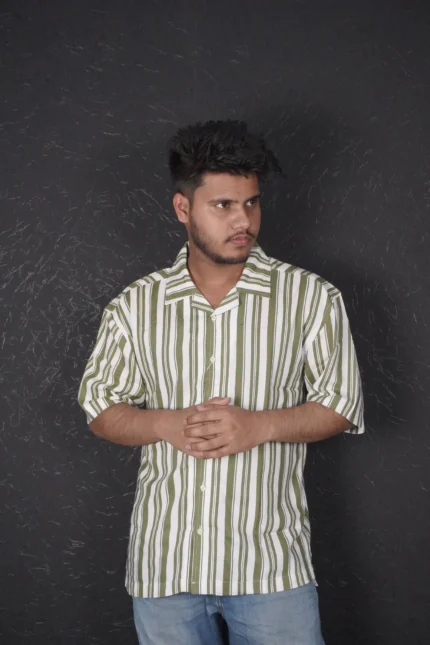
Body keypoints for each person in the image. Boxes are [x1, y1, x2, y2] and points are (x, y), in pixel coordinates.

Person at [78, 119, 365, 645]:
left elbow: (341, 403)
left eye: (251, 203)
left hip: (270, 566)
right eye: (223, 205)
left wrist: (259, 426)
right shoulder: (135, 306)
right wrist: (164, 424)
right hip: (166, 568)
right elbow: (100, 407)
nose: (243, 221)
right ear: (182, 208)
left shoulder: (310, 297)